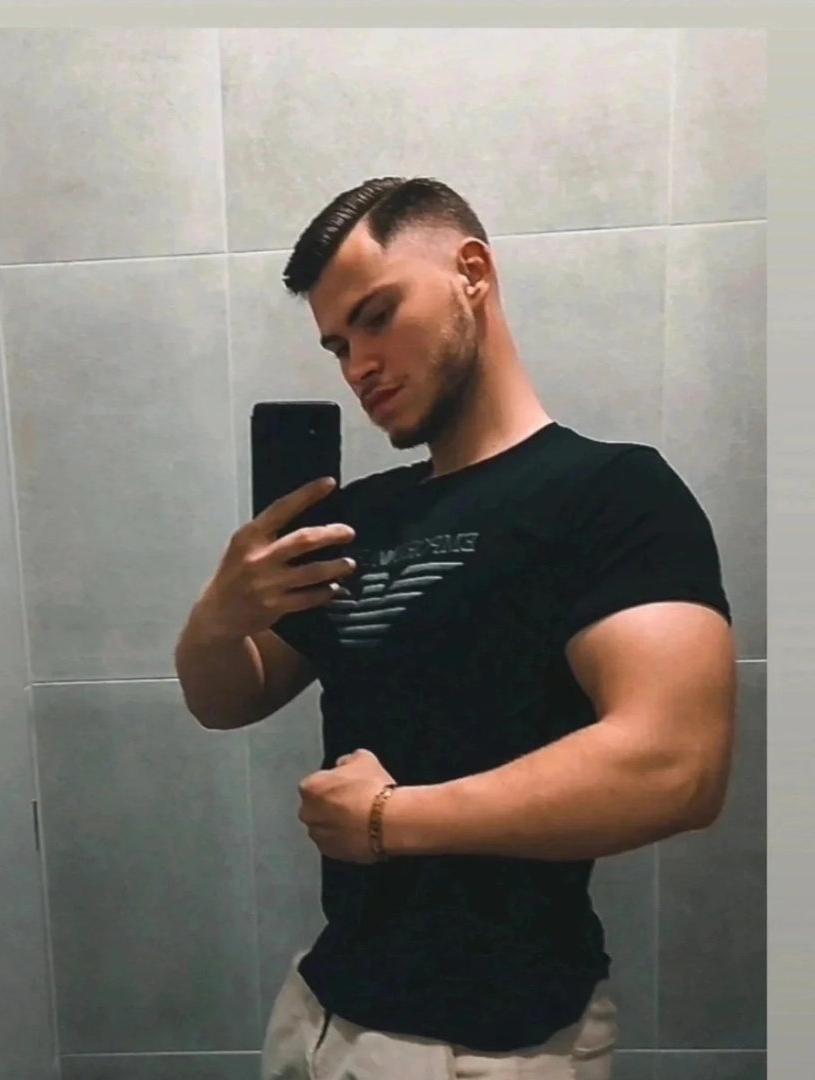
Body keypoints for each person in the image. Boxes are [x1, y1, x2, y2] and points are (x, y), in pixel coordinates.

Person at [173, 177, 736, 1080]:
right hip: (320, 1012)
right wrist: (217, 617)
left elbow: (679, 764)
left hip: (492, 1043)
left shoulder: (613, 493)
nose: (358, 365)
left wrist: (391, 820)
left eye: (376, 316)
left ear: (472, 272)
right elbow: (226, 698)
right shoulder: (360, 519)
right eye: (337, 344)